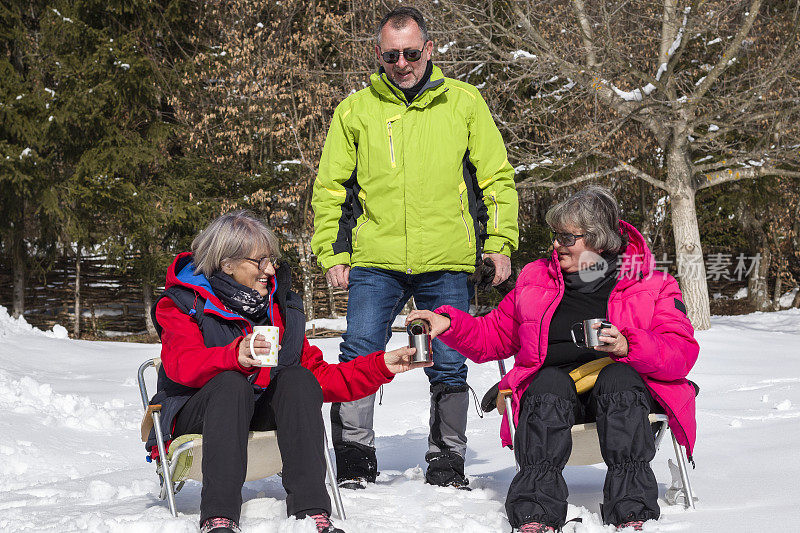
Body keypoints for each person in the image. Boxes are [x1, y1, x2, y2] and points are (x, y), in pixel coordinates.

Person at [310, 6, 519, 490]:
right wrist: (333, 252)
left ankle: (447, 460)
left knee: (448, 359)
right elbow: (331, 187)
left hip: (446, 259)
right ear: (379, 55)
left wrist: (499, 244)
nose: (401, 63)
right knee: (360, 352)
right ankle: (355, 458)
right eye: (390, 55)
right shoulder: (356, 110)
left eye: (409, 52)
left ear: (429, 49)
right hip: (375, 261)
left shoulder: (464, 103)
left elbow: (497, 180)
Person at [407, 186, 699, 532]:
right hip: (553, 400)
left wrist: (627, 346)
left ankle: (632, 510)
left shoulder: (651, 284)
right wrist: (450, 323)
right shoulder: (534, 279)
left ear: (599, 241)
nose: (555, 245)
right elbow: (493, 337)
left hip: (624, 398)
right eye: (555, 235)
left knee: (618, 378)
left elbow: (680, 353)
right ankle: (535, 512)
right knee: (546, 381)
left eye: (567, 238)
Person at [146, 211, 427, 533]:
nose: (269, 269)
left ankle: (311, 513)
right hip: (200, 412)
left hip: (258, 411)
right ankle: (218, 516)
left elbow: (319, 378)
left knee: (297, 378)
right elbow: (181, 365)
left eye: (272, 260)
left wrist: (381, 365)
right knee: (229, 383)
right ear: (227, 264)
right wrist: (234, 355)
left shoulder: (281, 309)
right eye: (259, 261)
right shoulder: (183, 304)